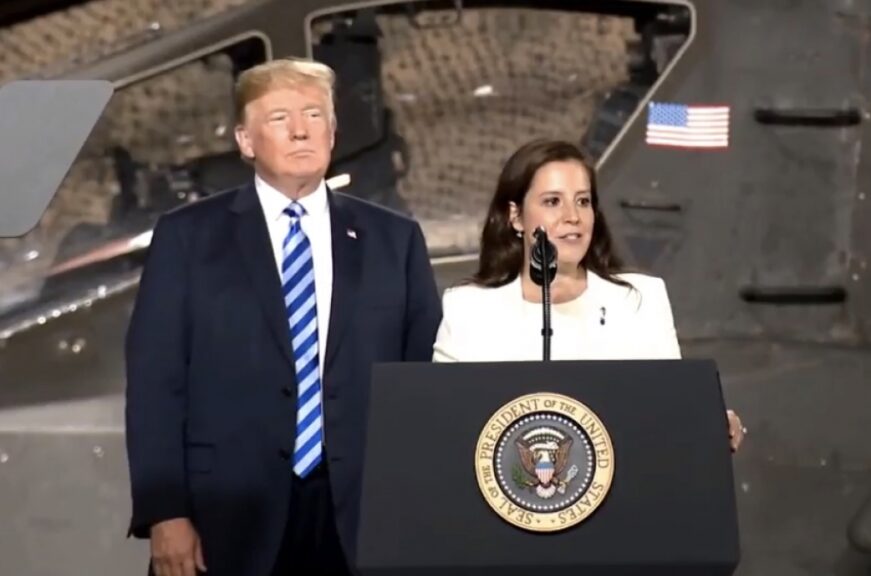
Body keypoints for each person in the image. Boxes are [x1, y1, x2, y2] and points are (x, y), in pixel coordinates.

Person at [124, 58, 441, 576]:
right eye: (279, 118)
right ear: (245, 141)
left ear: (333, 132)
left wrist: (418, 506)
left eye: (314, 115)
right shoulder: (187, 238)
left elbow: (421, 380)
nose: (300, 130)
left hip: (361, 516)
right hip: (225, 517)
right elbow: (156, 383)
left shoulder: (394, 240)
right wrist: (166, 512)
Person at [432, 138, 745, 450]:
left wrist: (706, 423)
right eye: (552, 201)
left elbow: (670, 410)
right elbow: (443, 425)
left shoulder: (640, 300)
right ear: (515, 216)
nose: (573, 216)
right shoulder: (468, 308)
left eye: (582, 201)